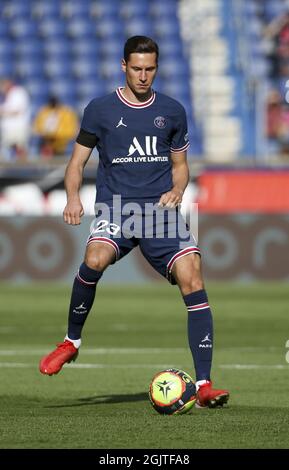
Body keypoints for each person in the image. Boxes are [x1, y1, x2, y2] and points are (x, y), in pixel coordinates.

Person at [39, 36, 229, 409]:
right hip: (116, 209)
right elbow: (76, 163)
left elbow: (181, 167)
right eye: (137, 68)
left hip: (160, 213)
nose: (144, 76)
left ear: (157, 68)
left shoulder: (173, 111)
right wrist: (74, 198)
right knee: (94, 259)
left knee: (193, 274)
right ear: (124, 66)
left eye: (150, 69)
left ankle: (204, 385)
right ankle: (71, 342)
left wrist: (178, 190)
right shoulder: (100, 110)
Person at [0, 78, 31, 161]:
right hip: (9, 128)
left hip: (17, 127)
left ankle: (25, 167)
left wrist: (2, 112)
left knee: (20, 148)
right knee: (9, 148)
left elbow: (16, 110)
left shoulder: (18, 93)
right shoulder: (7, 95)